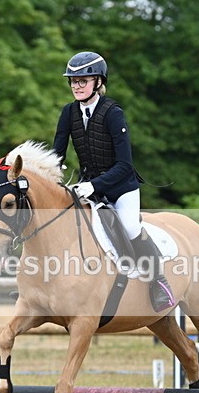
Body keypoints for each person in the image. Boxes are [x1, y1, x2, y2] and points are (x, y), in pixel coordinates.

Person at [53, 51, 174, 312]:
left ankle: (159, 282)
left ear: (98, 81)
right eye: (73, 81)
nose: (76, 86)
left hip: (121, 188)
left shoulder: (113, 113)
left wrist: (95, 185)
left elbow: (124, 165)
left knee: (130, 227)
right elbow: (57, 155)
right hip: (88, 188)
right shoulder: (68, 113)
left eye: (82, 80)